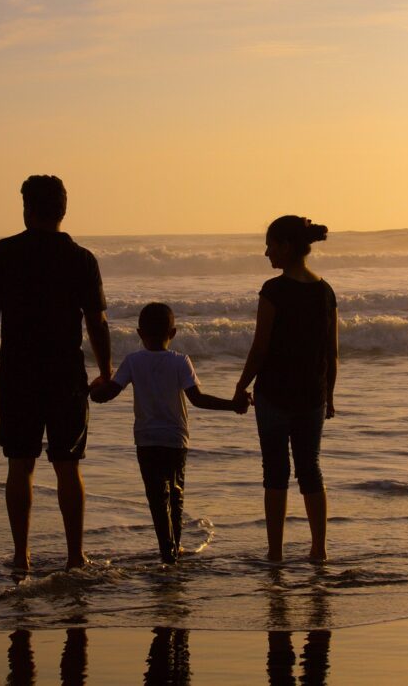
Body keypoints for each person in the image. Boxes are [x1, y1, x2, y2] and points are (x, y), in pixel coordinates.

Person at [0, 175, 112, 573]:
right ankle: (75, 556)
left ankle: (21, 556)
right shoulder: (81, 258)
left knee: (20, 463)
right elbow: (97, 323)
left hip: (19, 372)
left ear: (27, 209)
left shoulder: (5, 252)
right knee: (68, 465)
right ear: (63, 210)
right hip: (66, 374)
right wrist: (107, 371)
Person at [90, 302, 249, 564]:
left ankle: (168, 552)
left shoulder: (133, 361)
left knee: (156, 498)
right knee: (176, 495)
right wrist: (233, 405)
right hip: (176, 440)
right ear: (173, 333)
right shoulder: (180, 361)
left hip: (147, 440)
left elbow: (106, 395)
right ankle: (173, 549)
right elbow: (197, 399)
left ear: (139, 333)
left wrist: (89, 390)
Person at [234, 216, 338, 562]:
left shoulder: (274, 290)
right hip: (312, 395)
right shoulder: (324, 290)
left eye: (270, 245)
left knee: (275, 472)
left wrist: (240, 386)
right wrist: (331, 395)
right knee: (310, 468)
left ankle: (275, 553)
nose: (266, 252)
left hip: (275, 394)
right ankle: (319, 549)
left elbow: (260, 348)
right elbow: (331, 350)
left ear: (286, 246)